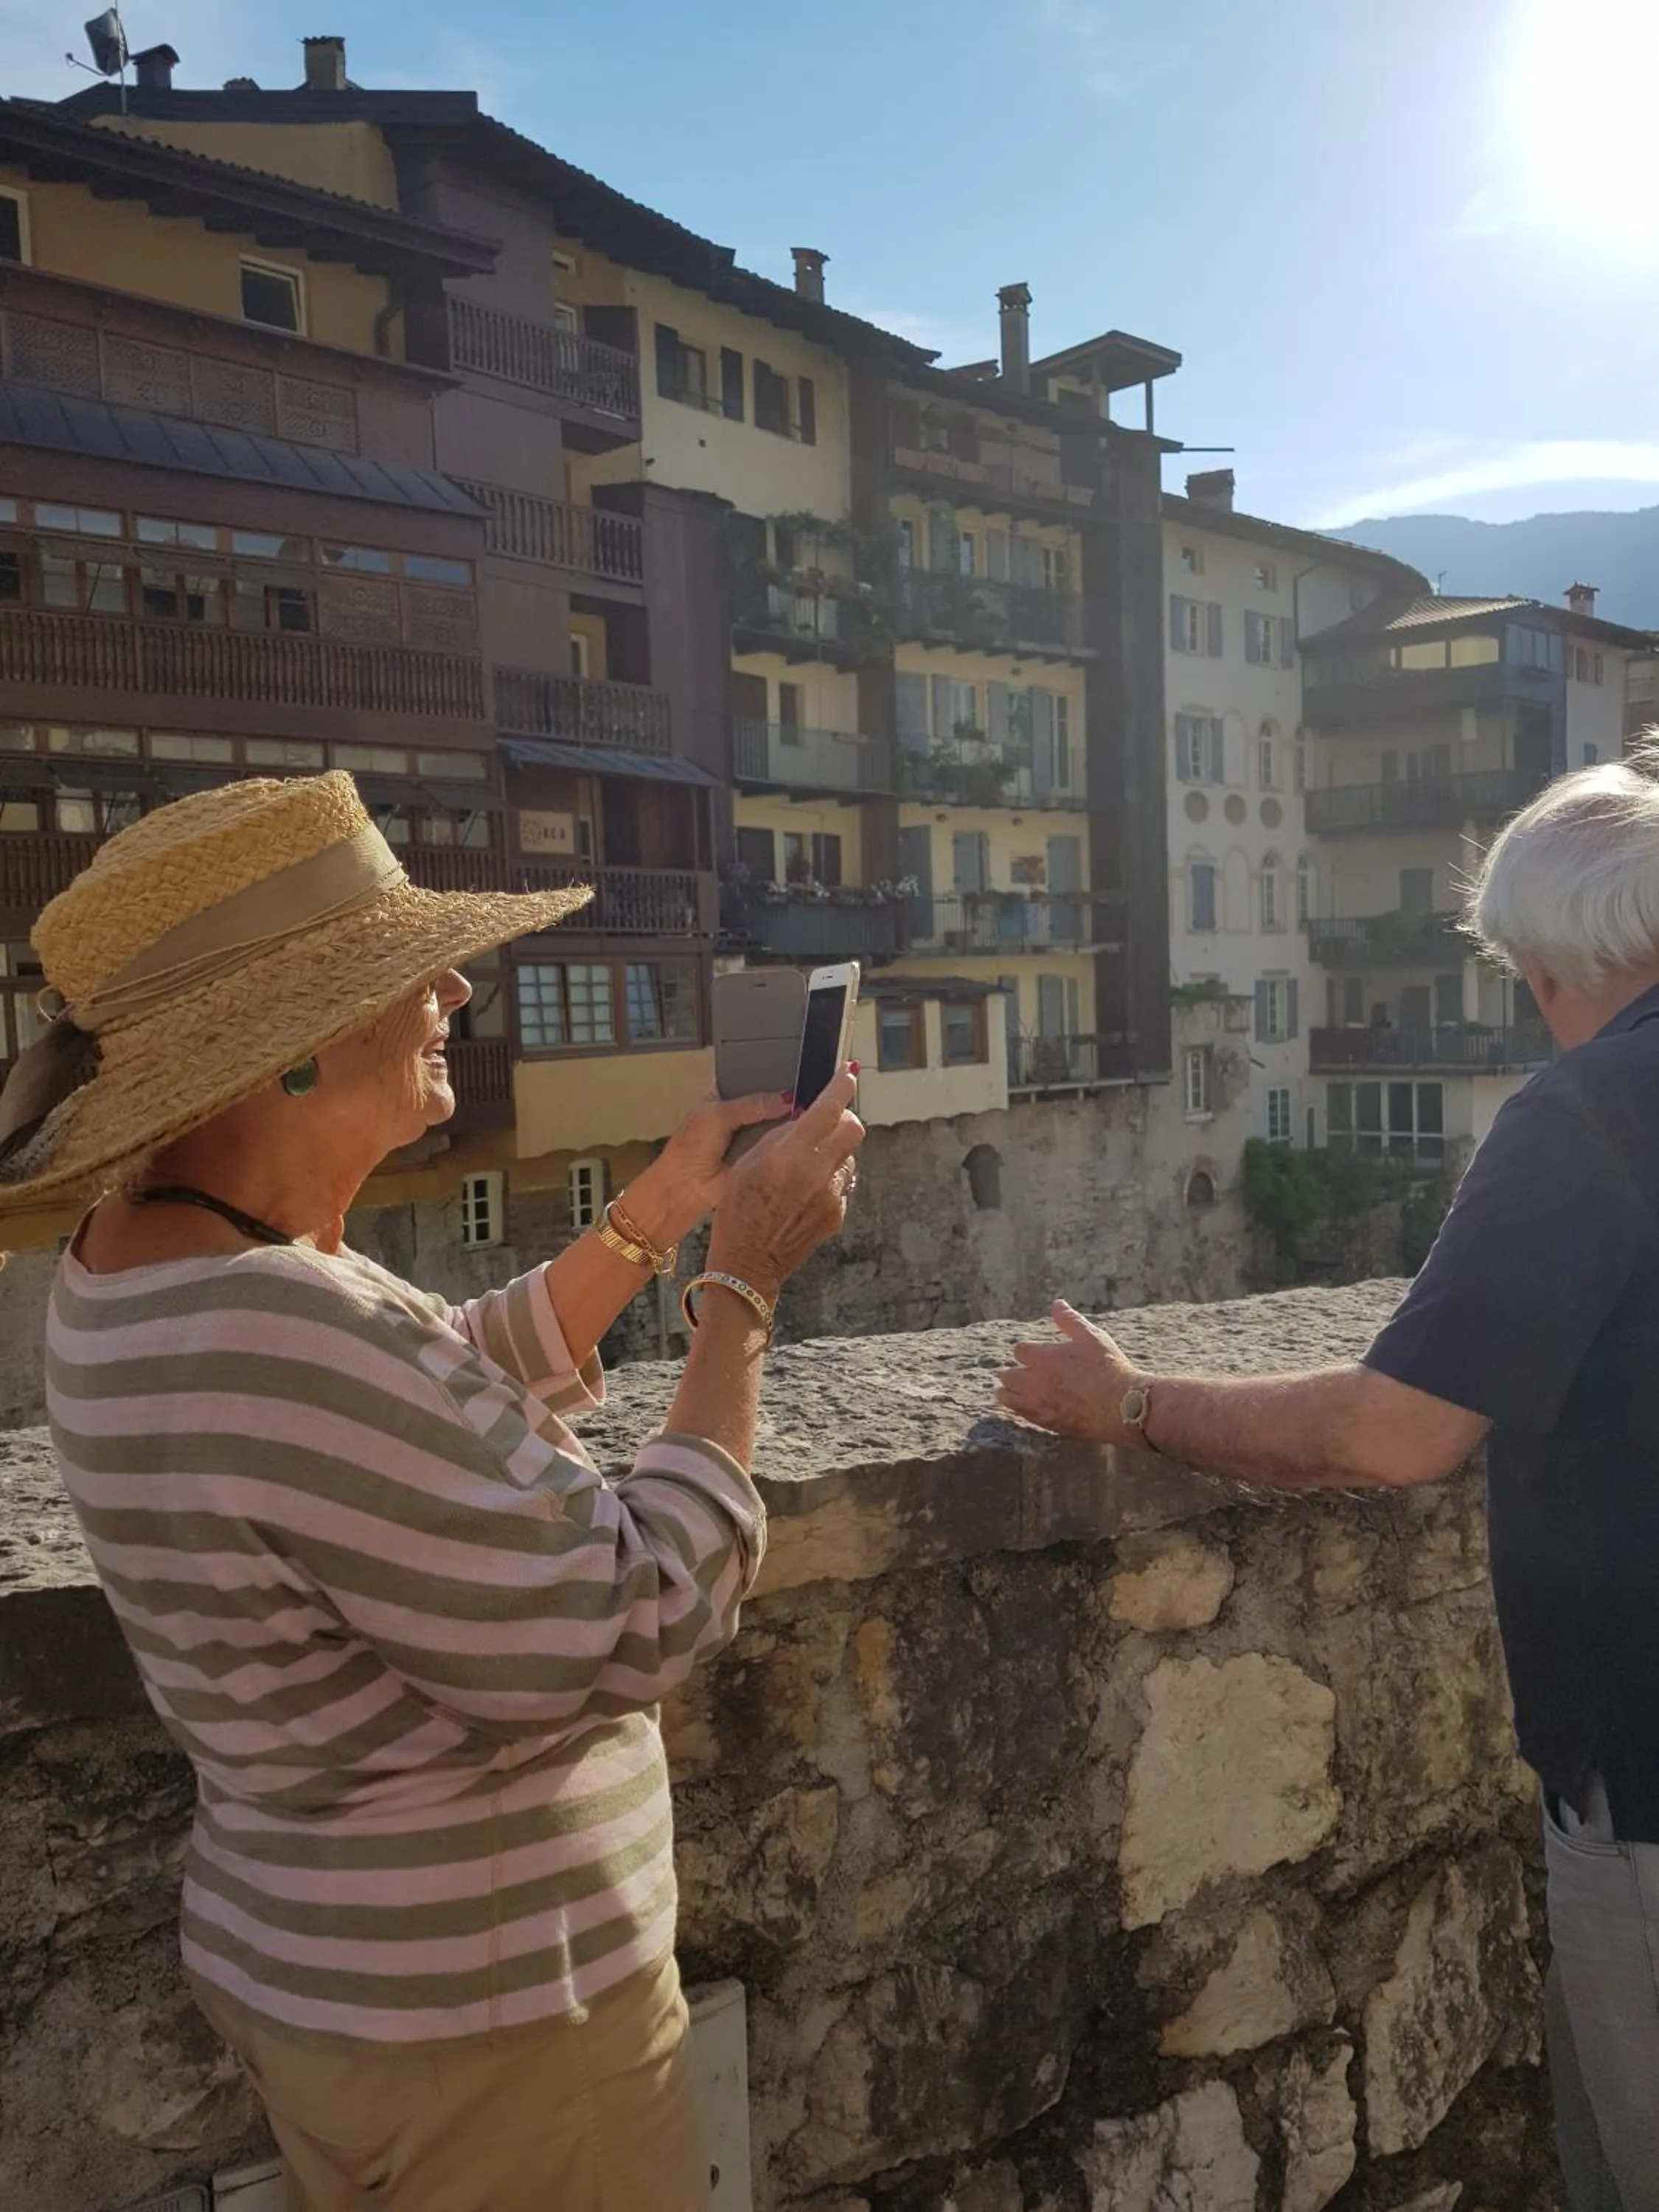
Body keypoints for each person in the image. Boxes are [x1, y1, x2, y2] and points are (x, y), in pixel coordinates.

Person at [0, 771, 863, 2212]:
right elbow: (635, 1615)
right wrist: (742, 1291)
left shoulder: (137, 1265)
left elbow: (413, 1416)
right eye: (408, 972)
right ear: (290, 1049)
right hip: (504, 2040)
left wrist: (651, 1219)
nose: (454, 989)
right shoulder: (276, 1323)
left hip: (346, 1997)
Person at [998, 743, 1659, 2212]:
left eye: (1525, 977)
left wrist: (1137, 1404)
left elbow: (1394, 1432)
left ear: (1561, 956)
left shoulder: (1593, 1115)